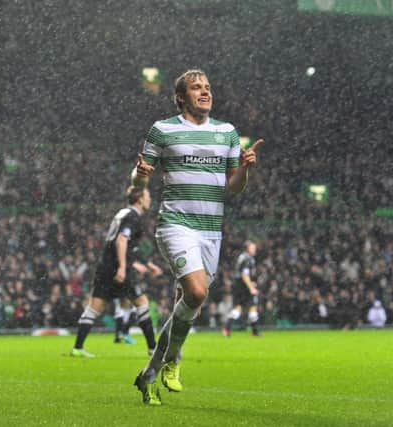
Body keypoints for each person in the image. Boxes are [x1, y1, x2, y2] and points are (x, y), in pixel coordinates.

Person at [131, 69, 264, 405]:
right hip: (176, 224)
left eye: (207, 87)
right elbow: (138, 178)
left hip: (210, 231)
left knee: (188, 302)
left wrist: (245, 169)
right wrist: (141, 178)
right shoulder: (162, 130)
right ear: (181, 97)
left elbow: (233, 188)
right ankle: (173, 359)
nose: (205, 92)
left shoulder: (227, 132)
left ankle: (150, 373)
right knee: (196, 290)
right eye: (196, 88)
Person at [69, 186, 157, 358]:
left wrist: (148, 264)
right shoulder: (133, 216)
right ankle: (153, 349)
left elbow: (130, 246)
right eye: (147, 196)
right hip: (118, 267)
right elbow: (122, 240)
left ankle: (78, 347)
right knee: (141, 302)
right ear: (139, 199)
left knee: (94, 308)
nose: (149, 199)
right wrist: (123, 267)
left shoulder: (122, 214)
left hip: (105, 267)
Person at [222, 240, 260, 337]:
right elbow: (244, 275)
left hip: (238, 286)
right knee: (253, 307)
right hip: (244, 288)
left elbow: (240, 274)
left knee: (238, 308)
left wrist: (250, 283)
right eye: (252, 247)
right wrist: (251, 287)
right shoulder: (248, 259)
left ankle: (226, 328)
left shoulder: (241, 257)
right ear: (247, 249)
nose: (254, 249)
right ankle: (255, 332)